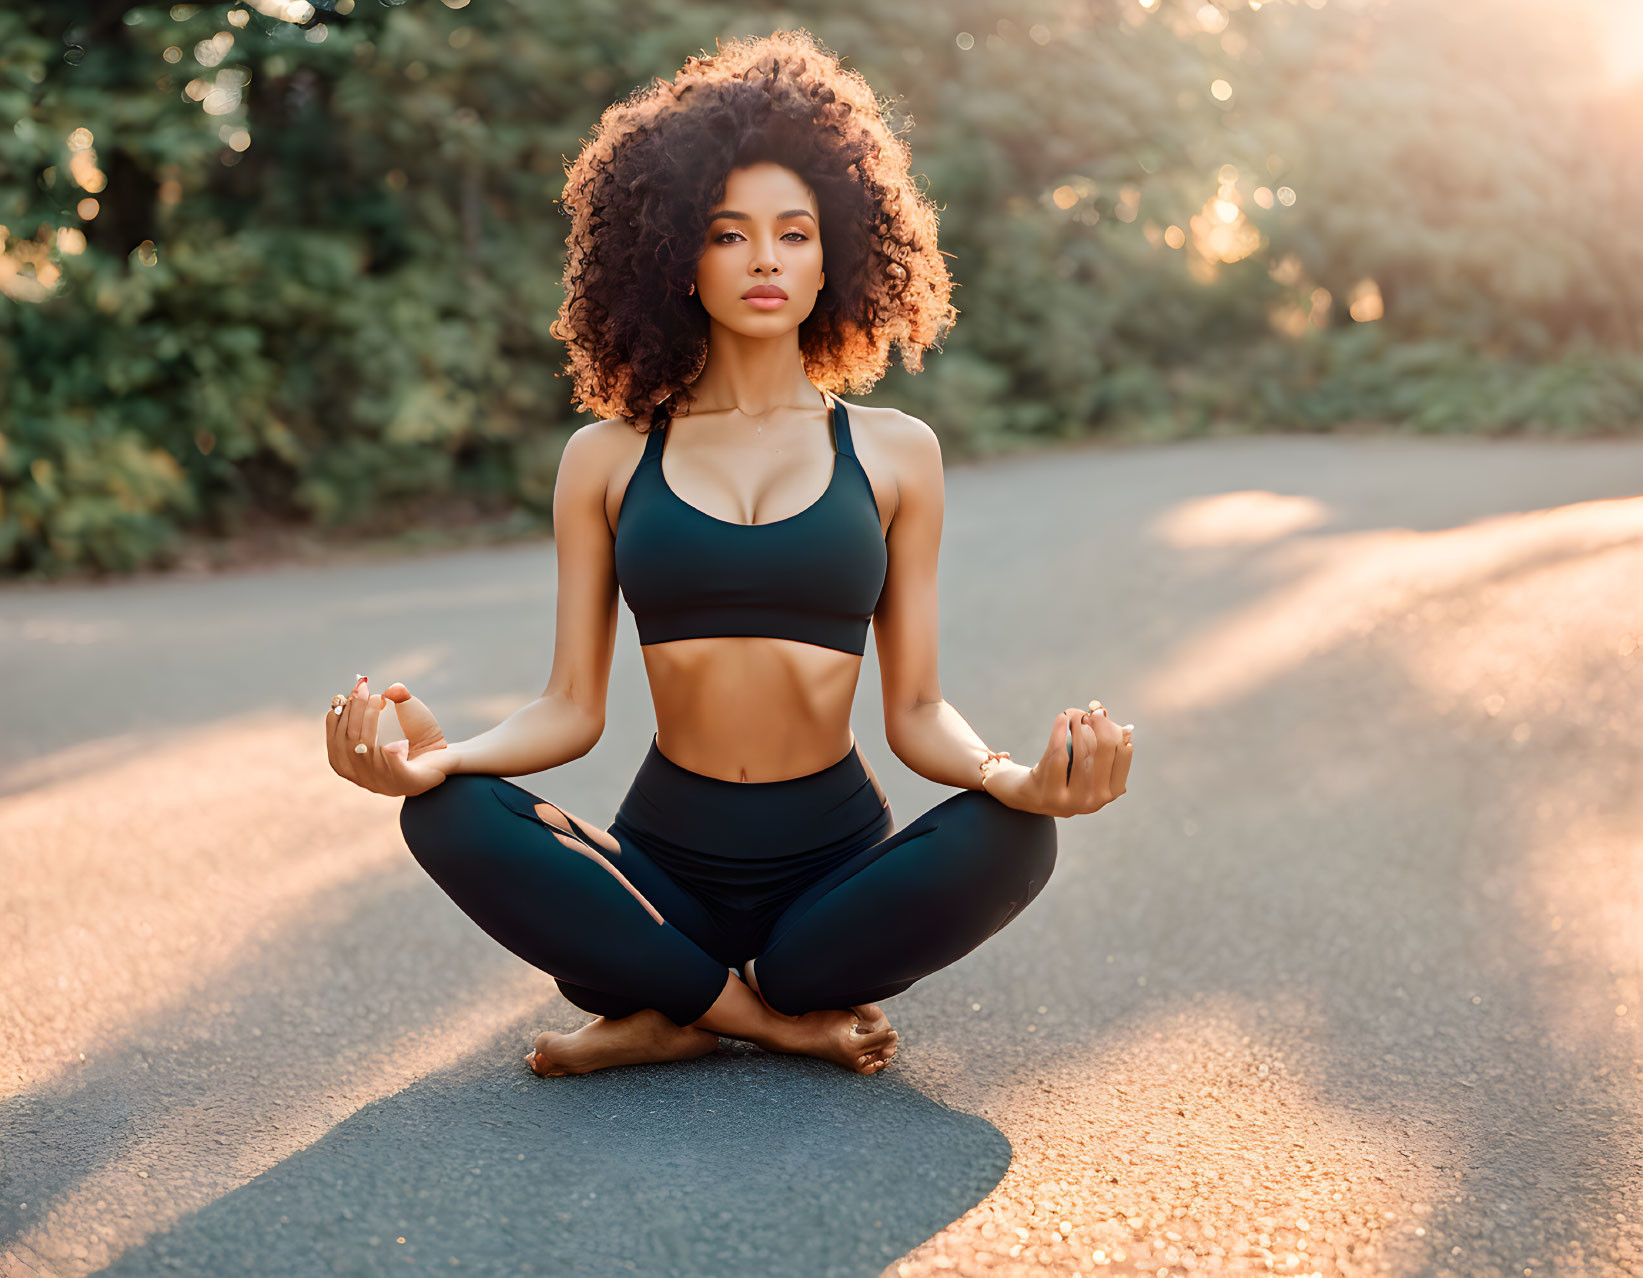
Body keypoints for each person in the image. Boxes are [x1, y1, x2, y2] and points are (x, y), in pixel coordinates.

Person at [324, 29, 1134, 1079]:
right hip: (661, 873)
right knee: (446, 816)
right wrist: (439, 760)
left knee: (1018, 838)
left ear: (835, 251)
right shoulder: (606, 459)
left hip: (832, 878)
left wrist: (1012, 777)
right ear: (672, 255)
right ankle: (762, 1018)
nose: (763, 259)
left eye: (793, 234)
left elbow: (918, 711)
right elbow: (571, 707)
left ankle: (681, 1010)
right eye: (726, 233)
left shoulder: (894, 453)